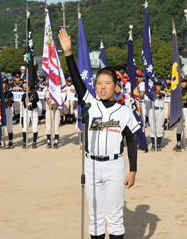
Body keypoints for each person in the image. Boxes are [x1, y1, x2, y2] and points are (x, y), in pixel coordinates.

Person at [59, 28, 139, 239]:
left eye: (107, 83)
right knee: (94, 218)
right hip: (91, 165)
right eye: (99, 83)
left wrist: (133, 170)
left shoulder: (124, 112)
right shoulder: (90, 104)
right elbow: (77, 80)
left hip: (114, 166)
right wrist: (68, 53)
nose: (103, 87)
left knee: (114, 217)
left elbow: (131, 140)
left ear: (116, 87)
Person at [176, 76, 187, 152]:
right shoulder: (177, 91)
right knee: (179, 127)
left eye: (184, 82)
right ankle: (178, 143)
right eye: (182, 82)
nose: (183, 83)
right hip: (180, 109)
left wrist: (185, 101)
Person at [0, 77, 14, 149]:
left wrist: (4, 106)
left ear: (8, 85)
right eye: (3, 83)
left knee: (9, 125)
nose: (4, 85)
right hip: (0, 110)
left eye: (6, 83)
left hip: (7, 109)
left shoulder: (10, 93)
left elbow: (9, 102)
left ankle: (10, 141)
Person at [149, 80, 166, 151]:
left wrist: (154, 89)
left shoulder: (163, 92)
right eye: (155, 85)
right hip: (152, 109)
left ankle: (158, 144)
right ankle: (153, 144)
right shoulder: (151, 92)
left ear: (161, 86)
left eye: (158, 85)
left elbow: (161, 94)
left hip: (160, 110)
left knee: (159, 128)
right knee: (152, 128)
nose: (157, 87)